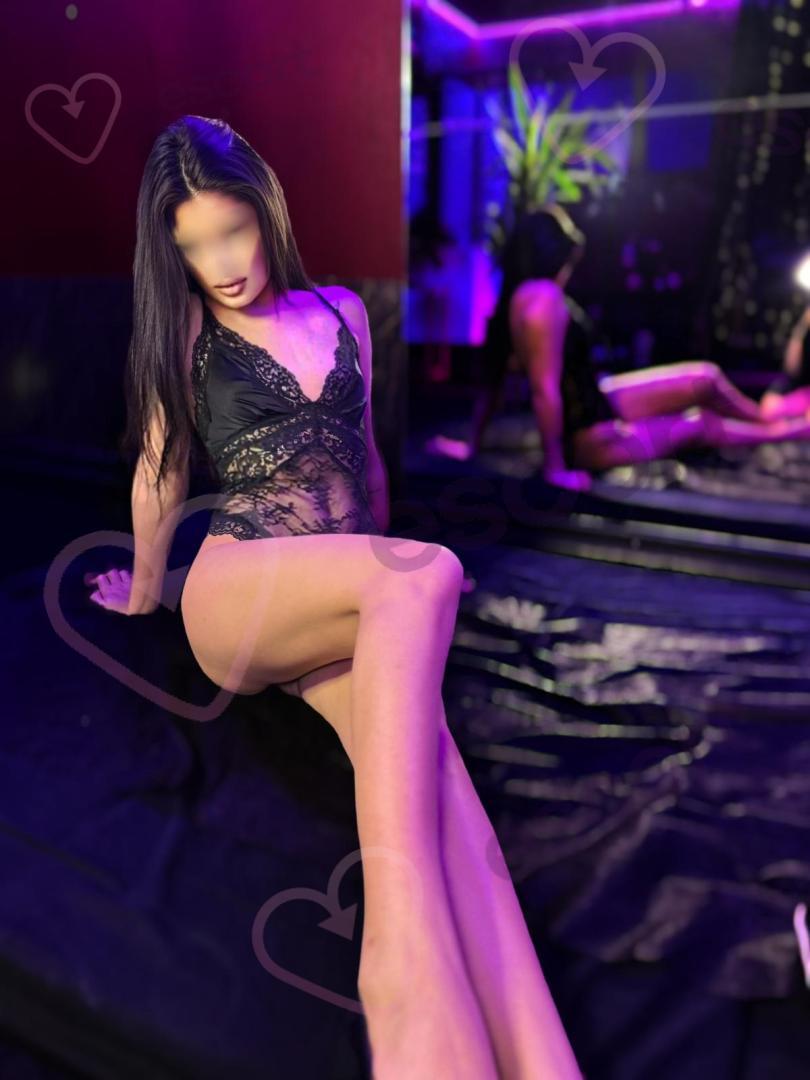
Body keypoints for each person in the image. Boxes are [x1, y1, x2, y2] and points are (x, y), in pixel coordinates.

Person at [84, 116, 584, 1079]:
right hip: (237, 595)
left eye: (233, 232)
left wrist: (381, 586)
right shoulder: (185, 331)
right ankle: (397, 957)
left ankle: (539, 1059)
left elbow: (367, 467)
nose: (222, 264)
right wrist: (146, 594)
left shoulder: (345, 312)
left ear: (265, 209)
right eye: (195, 247)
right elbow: (159, 470)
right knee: (429, 571)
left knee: (447, 789)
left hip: (339, 601)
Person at [428, 205, 810, 491]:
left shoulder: (520, 296)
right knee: (700, 424)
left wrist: (472, 446)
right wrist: (556, 470)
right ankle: (785, 431)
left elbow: (493, 384)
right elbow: (545, 391)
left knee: (703, 379)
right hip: (590, 439)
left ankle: (768, 419)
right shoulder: (542, 298)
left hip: (597, 404)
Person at [759, 303, 810, 419]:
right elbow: (792, 368)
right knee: (769, 406)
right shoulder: (803, 331)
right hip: (799, 386)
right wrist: (803, 326)